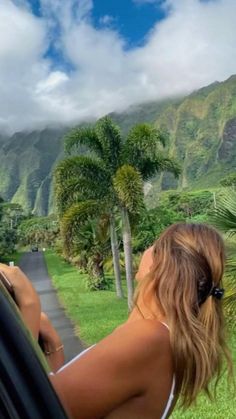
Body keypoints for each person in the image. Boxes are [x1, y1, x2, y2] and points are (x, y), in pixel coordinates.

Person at [0, 223, 233, 419]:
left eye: (154, 245)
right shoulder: (159, 340)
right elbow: (62, 397)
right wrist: (54, 348)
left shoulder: (149, 338)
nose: (147, 250)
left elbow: (35, 409)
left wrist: (29, 308)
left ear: (162, 263)